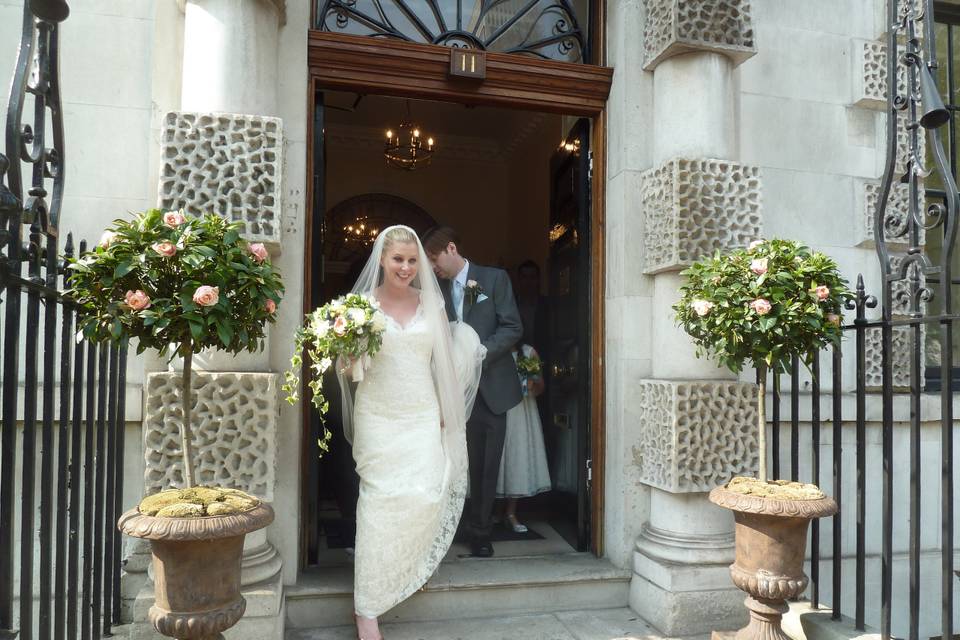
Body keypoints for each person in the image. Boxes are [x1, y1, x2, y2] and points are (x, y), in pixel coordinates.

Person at [338, 225, 484, 640]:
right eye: (397, 259)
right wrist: (346, 352)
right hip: (379, 414)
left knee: (426, 492)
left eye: (412, 260)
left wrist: (447, 411)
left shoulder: (430, 303)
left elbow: (442, 362)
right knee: (380, 502)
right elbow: (349, 371)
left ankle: (406, 569)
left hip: (422, 412)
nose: (405, 267)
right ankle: (366, 610)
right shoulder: (361, 306)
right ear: (382, 260)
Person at [423, 225, 523, 558]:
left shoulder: (494, 279)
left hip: (491, 389)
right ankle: (449, 525)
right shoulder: (434, 289)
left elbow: (512, 326)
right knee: (450, 463)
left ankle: (480, 531)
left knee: (485, 464)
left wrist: (482, 352)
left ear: (451, 249)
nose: (433, 268)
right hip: (450, 391)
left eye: (434, 259)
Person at [496, 342, 551, 532]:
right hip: (497, 408)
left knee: (517, 457)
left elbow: (540, 387)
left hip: (521, 411)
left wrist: (532, 384)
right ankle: (491, 512)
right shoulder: (494, 348)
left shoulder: (528, 352)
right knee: (496, 458)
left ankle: (510, 513)